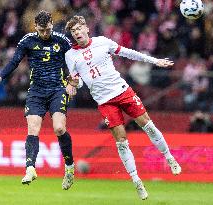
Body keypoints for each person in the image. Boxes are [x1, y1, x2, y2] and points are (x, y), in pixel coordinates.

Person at [64, 15, 182, 200]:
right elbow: (76, 83)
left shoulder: (102, 42)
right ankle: (136, 181)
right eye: (73, 31)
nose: (77, 33)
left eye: (79, 28)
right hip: (104, 101)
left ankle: (169, 157)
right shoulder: (70, 55)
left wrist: (154, 61)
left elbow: (128, 52)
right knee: (121, 140)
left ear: (87, 28)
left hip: (122, 90)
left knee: (147, 125)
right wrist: (72, 85)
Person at [0, 10, 76, 190]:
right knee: (33, 129)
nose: (45, 34)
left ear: (52, 24)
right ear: (35, 27)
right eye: (41, 30)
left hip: (57, 89)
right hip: (36, 91)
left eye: (47, 29)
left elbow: (75, 61)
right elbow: (13, 62)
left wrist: (72, 81)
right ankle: (30, 168)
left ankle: (69, 167)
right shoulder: (27, 41)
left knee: (59, 128)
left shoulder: (62, 41)